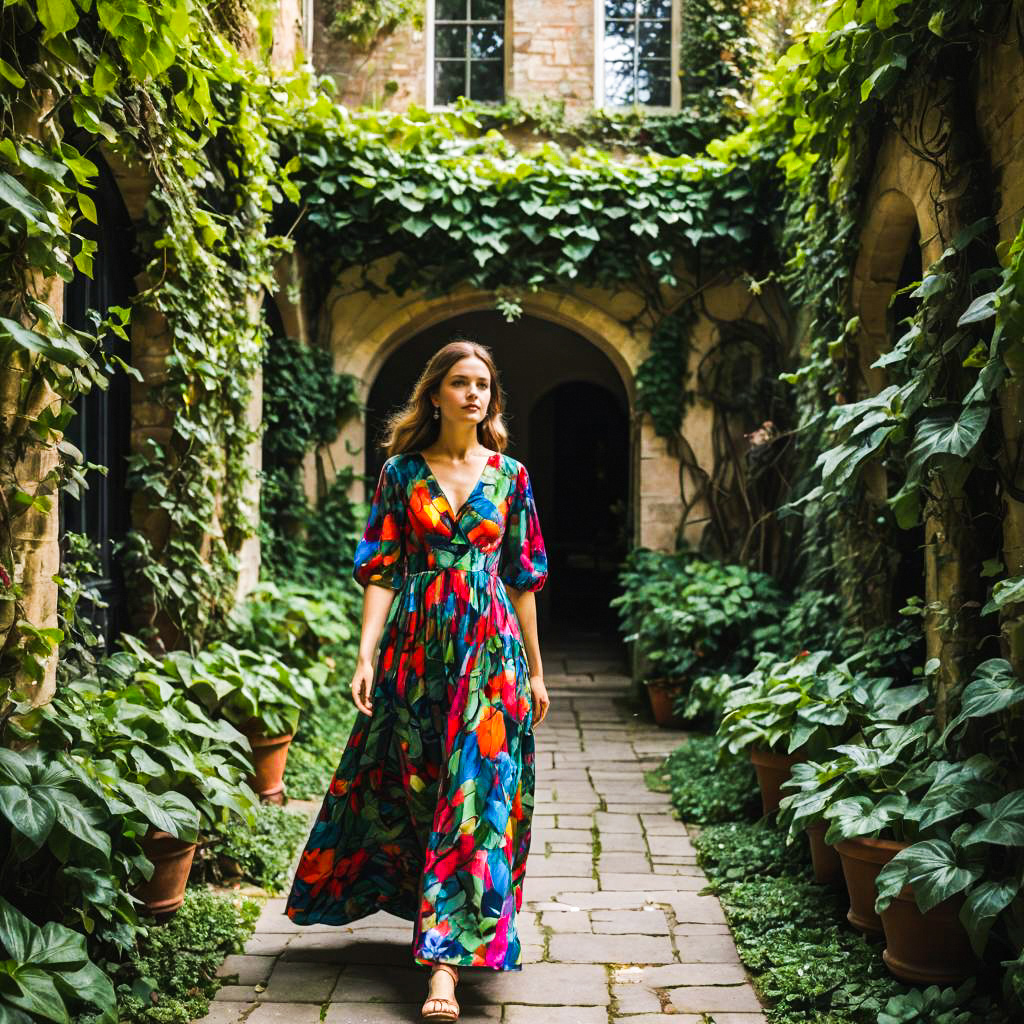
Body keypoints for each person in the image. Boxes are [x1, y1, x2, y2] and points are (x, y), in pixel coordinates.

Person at [284, 338, 550, 1022]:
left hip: (490, 656)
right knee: (424, 792)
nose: (473, 394)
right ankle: (428, 919)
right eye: (460, 382)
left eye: (483, 384)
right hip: (416, 651)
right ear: (435, 394)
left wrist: (538, 670)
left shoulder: (511, 476)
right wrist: (366, 654)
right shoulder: (401, 474)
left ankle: (445, 969)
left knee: (478, 800)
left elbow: (522, 580)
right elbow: (379, 569)